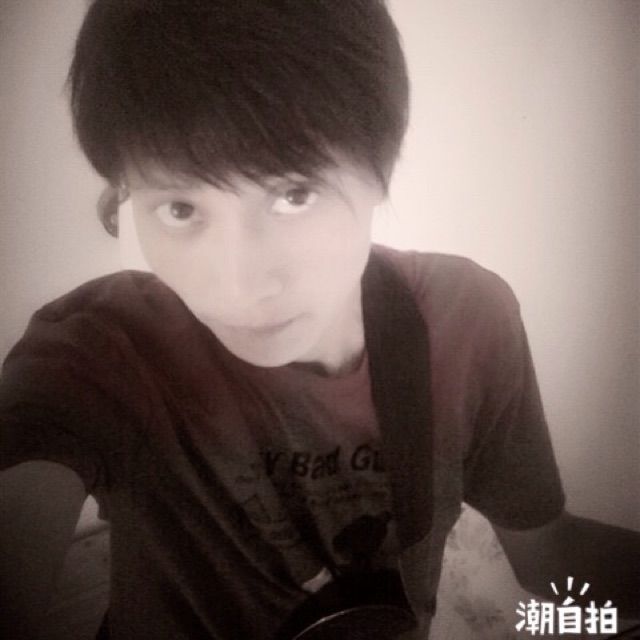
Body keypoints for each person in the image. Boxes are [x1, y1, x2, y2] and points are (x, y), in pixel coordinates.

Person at [0, 1, 638, 639]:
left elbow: (548, 563)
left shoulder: (465, 322)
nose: (239, 284)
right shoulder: (101, 351)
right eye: (180, 209)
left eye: (293, 193)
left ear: (380, 169)